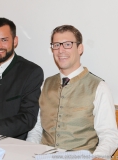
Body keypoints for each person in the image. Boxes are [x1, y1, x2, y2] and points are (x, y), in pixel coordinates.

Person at [27, 25, 118, 159]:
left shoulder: (99, 86)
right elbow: (36, 130)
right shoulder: (45, 84)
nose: (61, 50)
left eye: (68, 44)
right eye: (56, 45)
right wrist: (29, 151)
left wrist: (99, 156)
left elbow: (109, 135)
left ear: (80, 48)